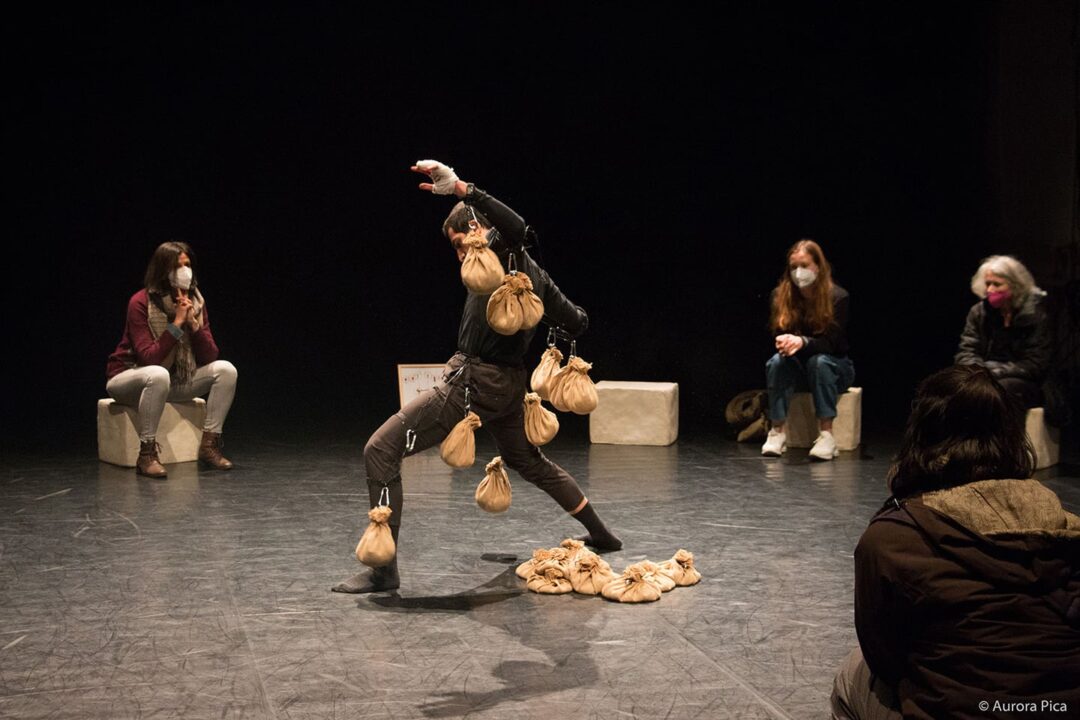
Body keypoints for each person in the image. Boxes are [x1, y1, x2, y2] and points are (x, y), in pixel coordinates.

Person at [332, 160, 621, 594]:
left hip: (471, 385)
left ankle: (383, 571)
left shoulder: (501, 254)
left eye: (458, 244)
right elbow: (577, 321)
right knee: (530, 462)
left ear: (475, 230)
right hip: (507, 390)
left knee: (380, 450)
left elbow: (518, 229)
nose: (460, 255)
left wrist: (464, 189)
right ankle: (602, 534)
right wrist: (565, 317)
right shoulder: (535, 276)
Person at [830, 365, 1080, 720]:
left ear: (922, 434)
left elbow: (884, 656)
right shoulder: (1065, 527)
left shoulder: (892, 539)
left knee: (851, 675)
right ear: (1010, 434)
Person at [106, 242, 238, 477]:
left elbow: (210, 355)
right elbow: (149, 358)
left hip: (172, 381)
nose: (184, 271)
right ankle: (146, 454)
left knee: (226, 370)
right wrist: (176, 324)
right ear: (163, 269)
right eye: (178, 266)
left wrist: (193, 325)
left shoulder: (196, 302)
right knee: (158, 374)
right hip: (129, 378)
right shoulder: (141, 302)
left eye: (187, 265)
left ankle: (209, 446)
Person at [760, 239, 854, 460]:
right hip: (799, 370)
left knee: (819, 361)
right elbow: (777, 335)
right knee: (776, 362)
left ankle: (827, 435)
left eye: (804, 265)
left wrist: (803, 342)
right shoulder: (779, 296)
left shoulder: (838, 297)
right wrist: (784, 341)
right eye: (793, 267)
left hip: (835, 367)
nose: (798, 272)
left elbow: (832, 344)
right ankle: (777, 431)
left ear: (818, 267)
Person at [955, 254, 1050, 409]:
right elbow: (967, 350)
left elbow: (1035, 364)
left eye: (997, 284)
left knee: (1000, 389)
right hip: (984, 374)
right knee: (956, 385)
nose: (990, 290)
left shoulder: (1035, 315)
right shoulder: (979, 312)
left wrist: (994, 372)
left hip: (1023, 381)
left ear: (1015, 285)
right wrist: (979, 371)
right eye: (987, 284)